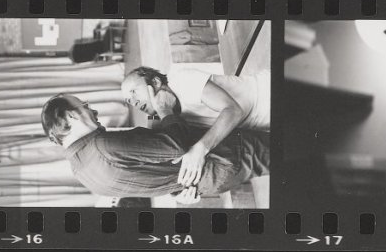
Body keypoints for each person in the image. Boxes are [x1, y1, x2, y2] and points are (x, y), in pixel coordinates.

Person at [40, 94, 269, 203]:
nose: (94, 111)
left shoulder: (83, 174)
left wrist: (178, 192)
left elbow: (152, 173)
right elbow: (175, 146)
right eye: (85, 106)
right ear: (71, 116)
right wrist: (165, 111)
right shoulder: (102, 145)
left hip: (210, 182)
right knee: (285, 149)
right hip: (226, 157)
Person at [120, 65, 271, 190]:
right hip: (261, 124)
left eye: (134, 92)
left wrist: (201, 148)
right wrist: (184, 194)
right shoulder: (168, 115)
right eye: (129, 101)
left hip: (268, 96)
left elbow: (233, 111)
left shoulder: (181, 80)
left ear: (156, 82)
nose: (134, 102)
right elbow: (155, 137)